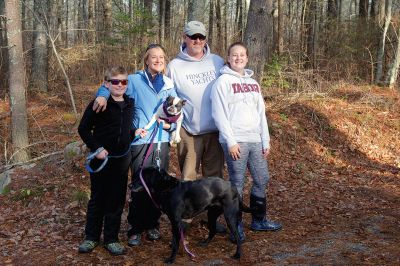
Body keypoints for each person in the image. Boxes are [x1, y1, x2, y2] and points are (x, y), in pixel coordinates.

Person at [93, 44, 177, 247]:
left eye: (161, 58)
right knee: (140, 185)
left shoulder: (168, 83)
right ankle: (135, 228)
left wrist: (171, 127)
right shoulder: (134, 80)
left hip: (162, 140)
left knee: (159, 184)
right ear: (146, 60)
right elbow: (111, 86)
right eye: (153, 57)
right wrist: (102, 94)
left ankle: (153, 224)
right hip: (140, 140)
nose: (158, 60)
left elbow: (175, 109)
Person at [210, 42, 282, 243]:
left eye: (242, 55)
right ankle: (236, 226)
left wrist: (265, 140)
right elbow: (219, 114)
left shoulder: (254, 83)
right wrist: (231, 141)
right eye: (234, 55)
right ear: (228, 57)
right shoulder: (222, 82)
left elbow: (261, 113)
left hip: (255, 140)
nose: (238, 58)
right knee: (237, 184)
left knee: (262, 178)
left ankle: (259, 220)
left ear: (247, 58)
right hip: (236, 141)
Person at [77, 66, 141, 255]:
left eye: (124, 82)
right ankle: (91, 237)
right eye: (115, 82)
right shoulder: (99, 103)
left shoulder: (129, 104)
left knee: (116, 200)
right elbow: (83, 129)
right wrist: (96, 148)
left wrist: (134, 133)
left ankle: (111, 239)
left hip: (121, 161)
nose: (120, 85)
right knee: (98, 198)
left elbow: (123, 129)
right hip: (100, 160)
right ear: (106, 84)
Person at [167, 21, 225, 181]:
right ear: (184, 37)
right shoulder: (174, 66)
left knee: (215, 181)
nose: (197, 41)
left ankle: (213, 207)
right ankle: (191, 207)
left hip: (215, 131)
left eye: (201, 37)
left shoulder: (217, 62)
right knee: (188, 179)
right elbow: (165, 96)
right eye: (193, 37)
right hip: (188, 131)